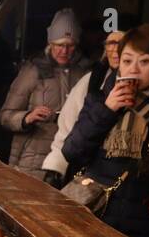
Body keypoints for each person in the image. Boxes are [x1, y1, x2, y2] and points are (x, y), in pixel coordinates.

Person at [61, 24, 149, 237]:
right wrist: (107, 110)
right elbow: (72, 151)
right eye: (127, 61)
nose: (133, 70)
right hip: (93, 214)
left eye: (144, 62)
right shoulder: (101, 96)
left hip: (143, 228)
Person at [0, 9, 91, 181]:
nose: (64, 51)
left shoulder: (85, 74)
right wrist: (26, 117)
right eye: (59, 44)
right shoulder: (33, 71)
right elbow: (6, 115)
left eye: (70, 45)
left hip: (69, 159)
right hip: (32, 160)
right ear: (50, 43)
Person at [40, 27, 126, 182]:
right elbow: (67, 129)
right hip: (87, 174)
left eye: (121, 43)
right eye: (110, 43)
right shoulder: (91, 81)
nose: (114, 49)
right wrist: (55, 168)